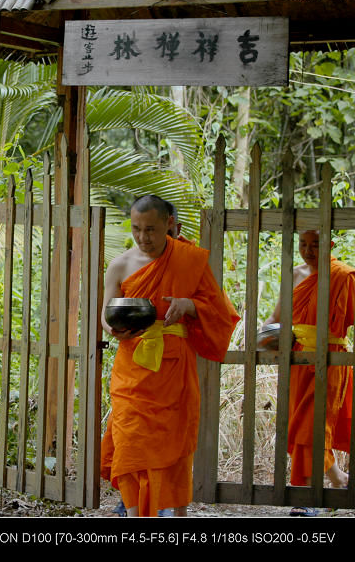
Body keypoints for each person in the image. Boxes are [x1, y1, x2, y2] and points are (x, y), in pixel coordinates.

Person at [99, 194, 239, 517]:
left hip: (174, 371)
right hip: (132, 369)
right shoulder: (120, 265)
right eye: (136, 229)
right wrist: (113, 329)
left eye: (151, 229)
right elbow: (105, 315)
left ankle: (177, 515)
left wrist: (188, 305)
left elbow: (221, 312)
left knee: (175, 448)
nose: (143, 237)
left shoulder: (188, 260)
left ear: (169, 225)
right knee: (130, 442)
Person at [262, 229, 353, 516]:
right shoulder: (296, 274)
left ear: (331, 244)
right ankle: (337, 480)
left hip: (332, 359)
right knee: (301, 427)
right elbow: (276, 318)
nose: (308, 250)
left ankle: (307, 496)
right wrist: (260, 336)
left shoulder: (344, 275)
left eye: (316, 244)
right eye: (303, 244)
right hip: (298, 360)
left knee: (314, 428)